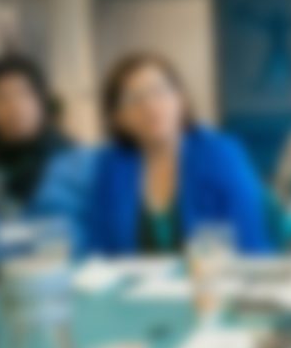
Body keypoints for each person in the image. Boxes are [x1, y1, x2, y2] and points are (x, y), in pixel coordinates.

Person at [85, 52, 271, 255]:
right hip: (138, 287)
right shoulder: (112, 166)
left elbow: (250, 243)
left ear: (181, 99)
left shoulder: (220, 155)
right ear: (117, 117)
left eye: (159, 91)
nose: (150, 105)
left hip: (216, 282)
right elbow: (100, 251)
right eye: (134, 98)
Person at [0, 54, 96, 260]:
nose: (15, 106)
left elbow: (94, 232)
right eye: (1, 98)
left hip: (68, 277)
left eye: (25, 94)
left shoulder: (77, 160)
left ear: (41, 101)